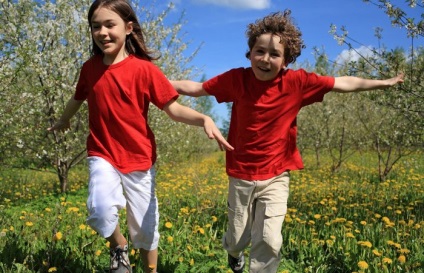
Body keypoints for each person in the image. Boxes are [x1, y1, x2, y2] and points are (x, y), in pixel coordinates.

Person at [170, 10, 404, 273]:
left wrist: (383, 82)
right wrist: (158, 82)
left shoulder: (298, 82)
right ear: (250, 54)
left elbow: (343, 82)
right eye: (260, 51)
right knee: (237, 237)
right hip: (241, 173)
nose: (265, 59)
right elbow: (198, 88)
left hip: (276, 174)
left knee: (269, 239)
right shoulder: (237, 79)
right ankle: (234, 255)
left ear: (286, 60)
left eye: (274, 54)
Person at [48, 1, 233, 273]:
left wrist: (204, 118)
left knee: (145, 225)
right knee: (99, 210)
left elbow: (174, 109)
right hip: (102, 152)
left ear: (128, 27)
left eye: (110, 25)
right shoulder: (89, 69)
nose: (102, 32)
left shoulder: (144, 70)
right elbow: (78, 98)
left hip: (139, 157)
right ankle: (118, 245)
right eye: (96, 26)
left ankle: (150, 270)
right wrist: (64, 119)